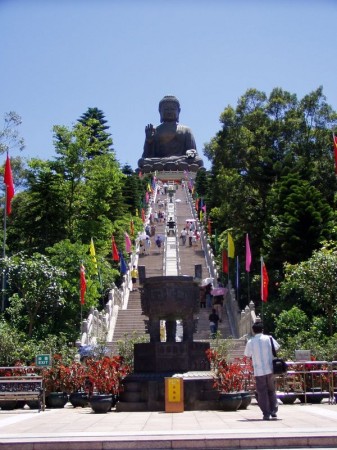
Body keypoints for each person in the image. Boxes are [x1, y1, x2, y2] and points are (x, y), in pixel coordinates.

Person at [138, 95, 204, 173]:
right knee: (142, 162)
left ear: (178, 111)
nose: (169, 111)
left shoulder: (186, 130)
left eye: (172, 109)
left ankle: (170, 164)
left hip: (180, 161)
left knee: (198, 161)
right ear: (160, 111)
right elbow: (147, 156)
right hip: (159, 162)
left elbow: (192, 153)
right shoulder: (155, 131)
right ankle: (170, 164)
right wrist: (149, 141)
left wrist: (181, 158)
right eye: (166, 109)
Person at [244, 322, 280, 421]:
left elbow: (247, 354)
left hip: (258, 370)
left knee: (262, 392)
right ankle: (274, 410)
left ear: (253, 330)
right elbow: (277, 348)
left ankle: (266, 413)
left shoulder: (251, 341)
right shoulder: (269, 338)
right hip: (270, 369)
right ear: (262, 329)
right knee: (271, 390)